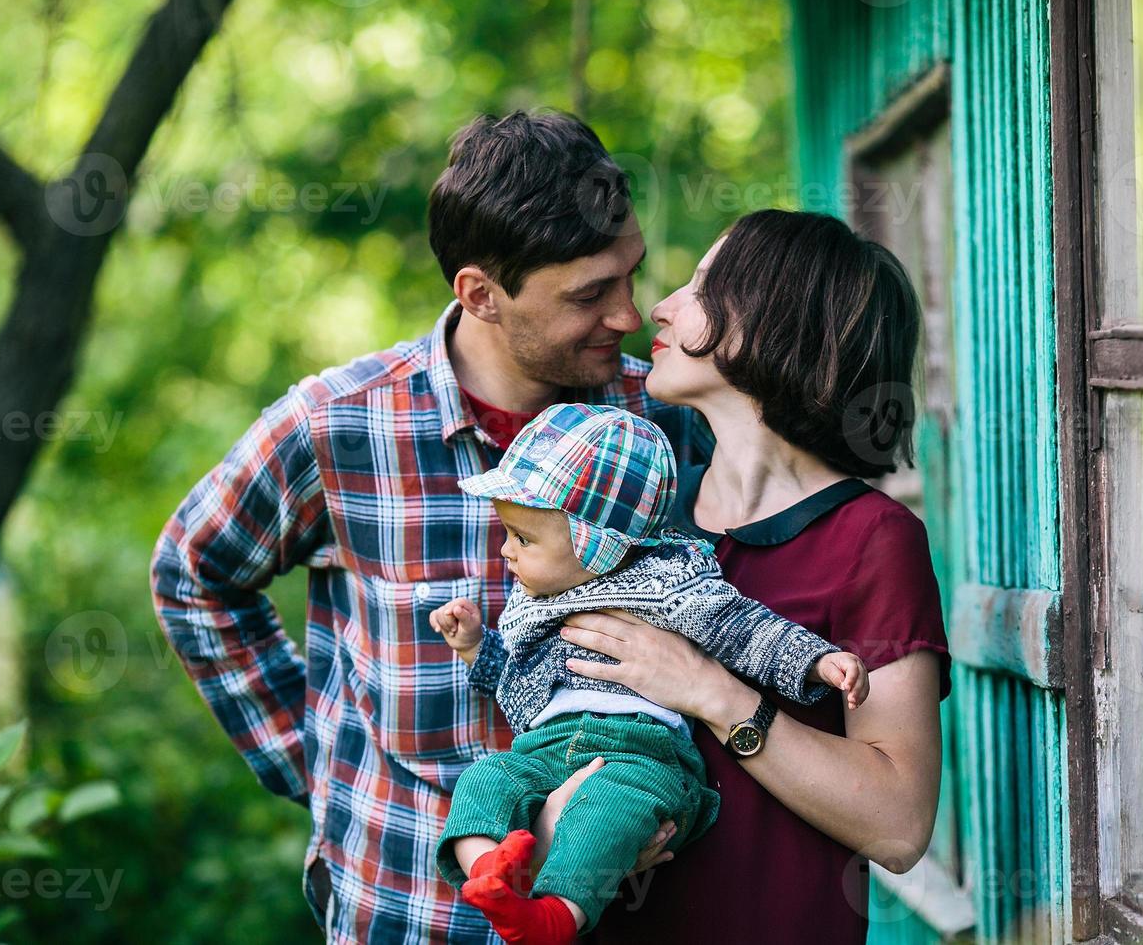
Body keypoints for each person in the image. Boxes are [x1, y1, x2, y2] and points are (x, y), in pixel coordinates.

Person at [150, 111, 708, 944]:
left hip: (631, 914)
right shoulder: (337, 424)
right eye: (590, 294)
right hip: (409, 907)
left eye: (630, 273)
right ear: (480, 294)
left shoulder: (665, 417)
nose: (629, 316)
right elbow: (194, 573)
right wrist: (313, 765)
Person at [575, 209, 953, 943]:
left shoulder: (874, 541)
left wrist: (710, 691)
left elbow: (900, 826)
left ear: (775, 323)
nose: (661, 305)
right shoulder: (637, 516)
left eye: (704, 286)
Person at [427, 402, 868, 944]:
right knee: (483, 779)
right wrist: (476, 647)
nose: (506, 551)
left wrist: (817, 661)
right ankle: (490, 872)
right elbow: (518, 680)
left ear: (595, 544)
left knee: (608, 812)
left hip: (643, 753)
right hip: (544, 749)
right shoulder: (537, 600)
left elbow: (744, 630)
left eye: (523, 538)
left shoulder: (667, 585)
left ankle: (556, 916)